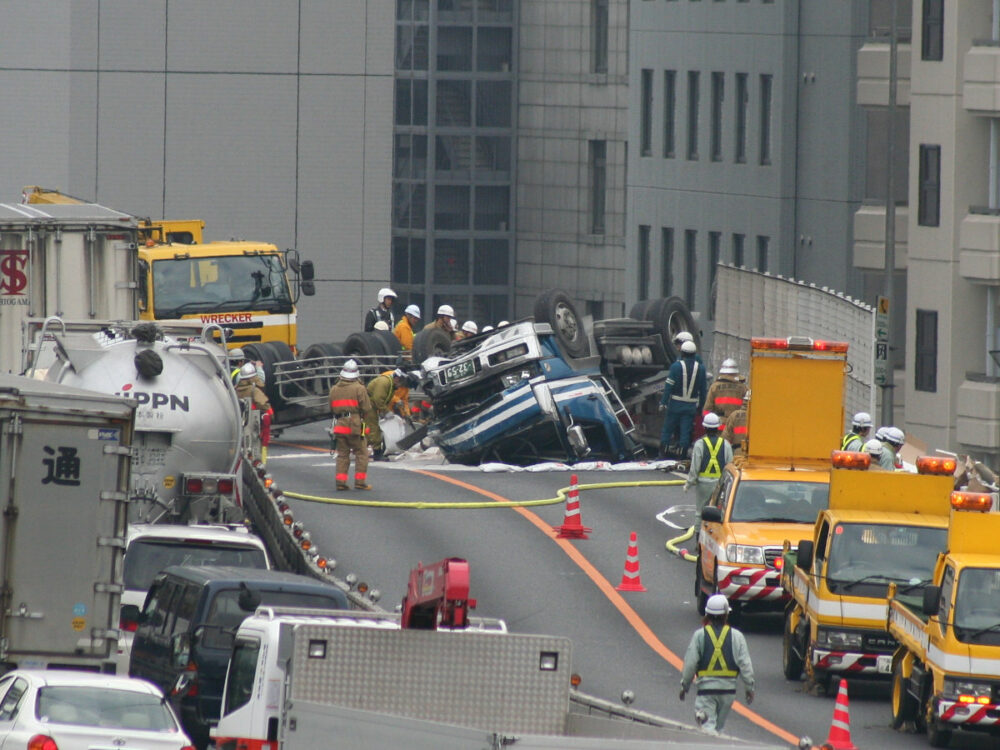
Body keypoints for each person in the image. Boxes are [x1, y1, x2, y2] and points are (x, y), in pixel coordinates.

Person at [680, 594, 754, 736]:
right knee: (719, 728)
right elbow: (745, 665)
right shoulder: (737, 636)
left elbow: (690, 664)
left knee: (707, 727)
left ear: (707, 614)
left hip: (706, 691)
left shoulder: (700, 635)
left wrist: (685, 686)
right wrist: (749, 688)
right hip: (728, 692)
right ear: (726, 614)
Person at [328, 359, 374, 490]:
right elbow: (366, 408)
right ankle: (360, 483)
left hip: (340, 425)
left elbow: (331, 408)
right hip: (354, 425)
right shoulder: (359, 388)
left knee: (342, 455)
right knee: (361, 453)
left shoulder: (334, 389)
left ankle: (340, 483)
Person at [659, 340, 707, 458]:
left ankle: (662, 455)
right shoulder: (701, 369)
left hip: (675, 404)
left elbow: (668, 386)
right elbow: (703, 390)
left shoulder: (676, 367)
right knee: (685, 432)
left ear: (683, 353)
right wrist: (701, 407)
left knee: (667, 430)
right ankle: (682, 456)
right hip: (690, 406)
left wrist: (663, 402)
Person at [686, 413, 733, 528]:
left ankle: (698, 538)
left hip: (703, 484)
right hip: (720, 485)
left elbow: (695, 467)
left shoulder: (699, 444)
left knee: (700, 512)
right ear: (718, 427)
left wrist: (689, 483)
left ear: (704, 427)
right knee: (719, 513)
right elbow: (730, 465)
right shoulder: (726, 444)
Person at [235, 362, 273, 464]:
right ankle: (260, 463)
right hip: (252, 423)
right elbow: (264, 404)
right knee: (256, 445)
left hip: (237, 424)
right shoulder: (254, 391)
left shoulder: (234, 390)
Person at [365, 368, 407, 458]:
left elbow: (384, 400)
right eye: (401, 381)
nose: (401, 385)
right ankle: (377, 452)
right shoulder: (384, 382)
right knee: (373, 428)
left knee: (370, 428)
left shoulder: (391, 384)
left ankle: (363, 448)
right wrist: (386, 411)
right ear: (397, 378)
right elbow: (378, 399)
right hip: (368, 405)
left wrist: (384, 411)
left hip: (372, 405)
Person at [722, 390, 749, 455]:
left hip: (737, 453)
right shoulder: (758, 416)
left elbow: (725, 438)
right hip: (754, 453)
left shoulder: (734, 415)